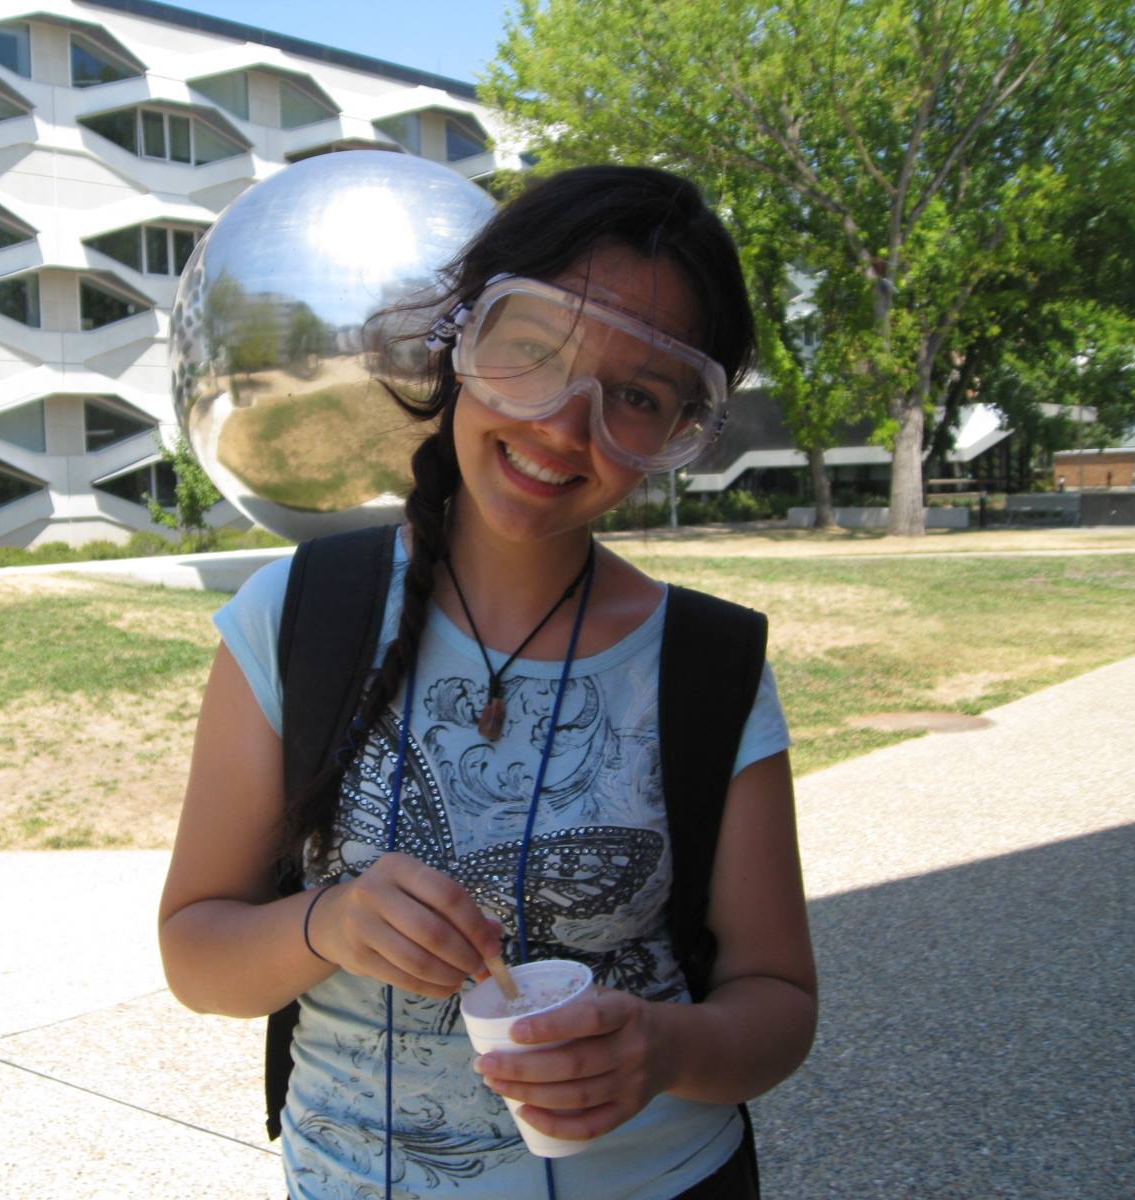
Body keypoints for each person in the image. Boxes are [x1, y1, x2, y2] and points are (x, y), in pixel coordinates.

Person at [158, 165, 817, 1200]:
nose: (563, 423)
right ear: (462, 338)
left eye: (637, 396)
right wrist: (324, 924)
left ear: (678, 434)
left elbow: (776, 1004)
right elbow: (195, 953)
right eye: (533, 348)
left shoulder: (705, 665)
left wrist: (662, 1050)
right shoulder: (293, 623)